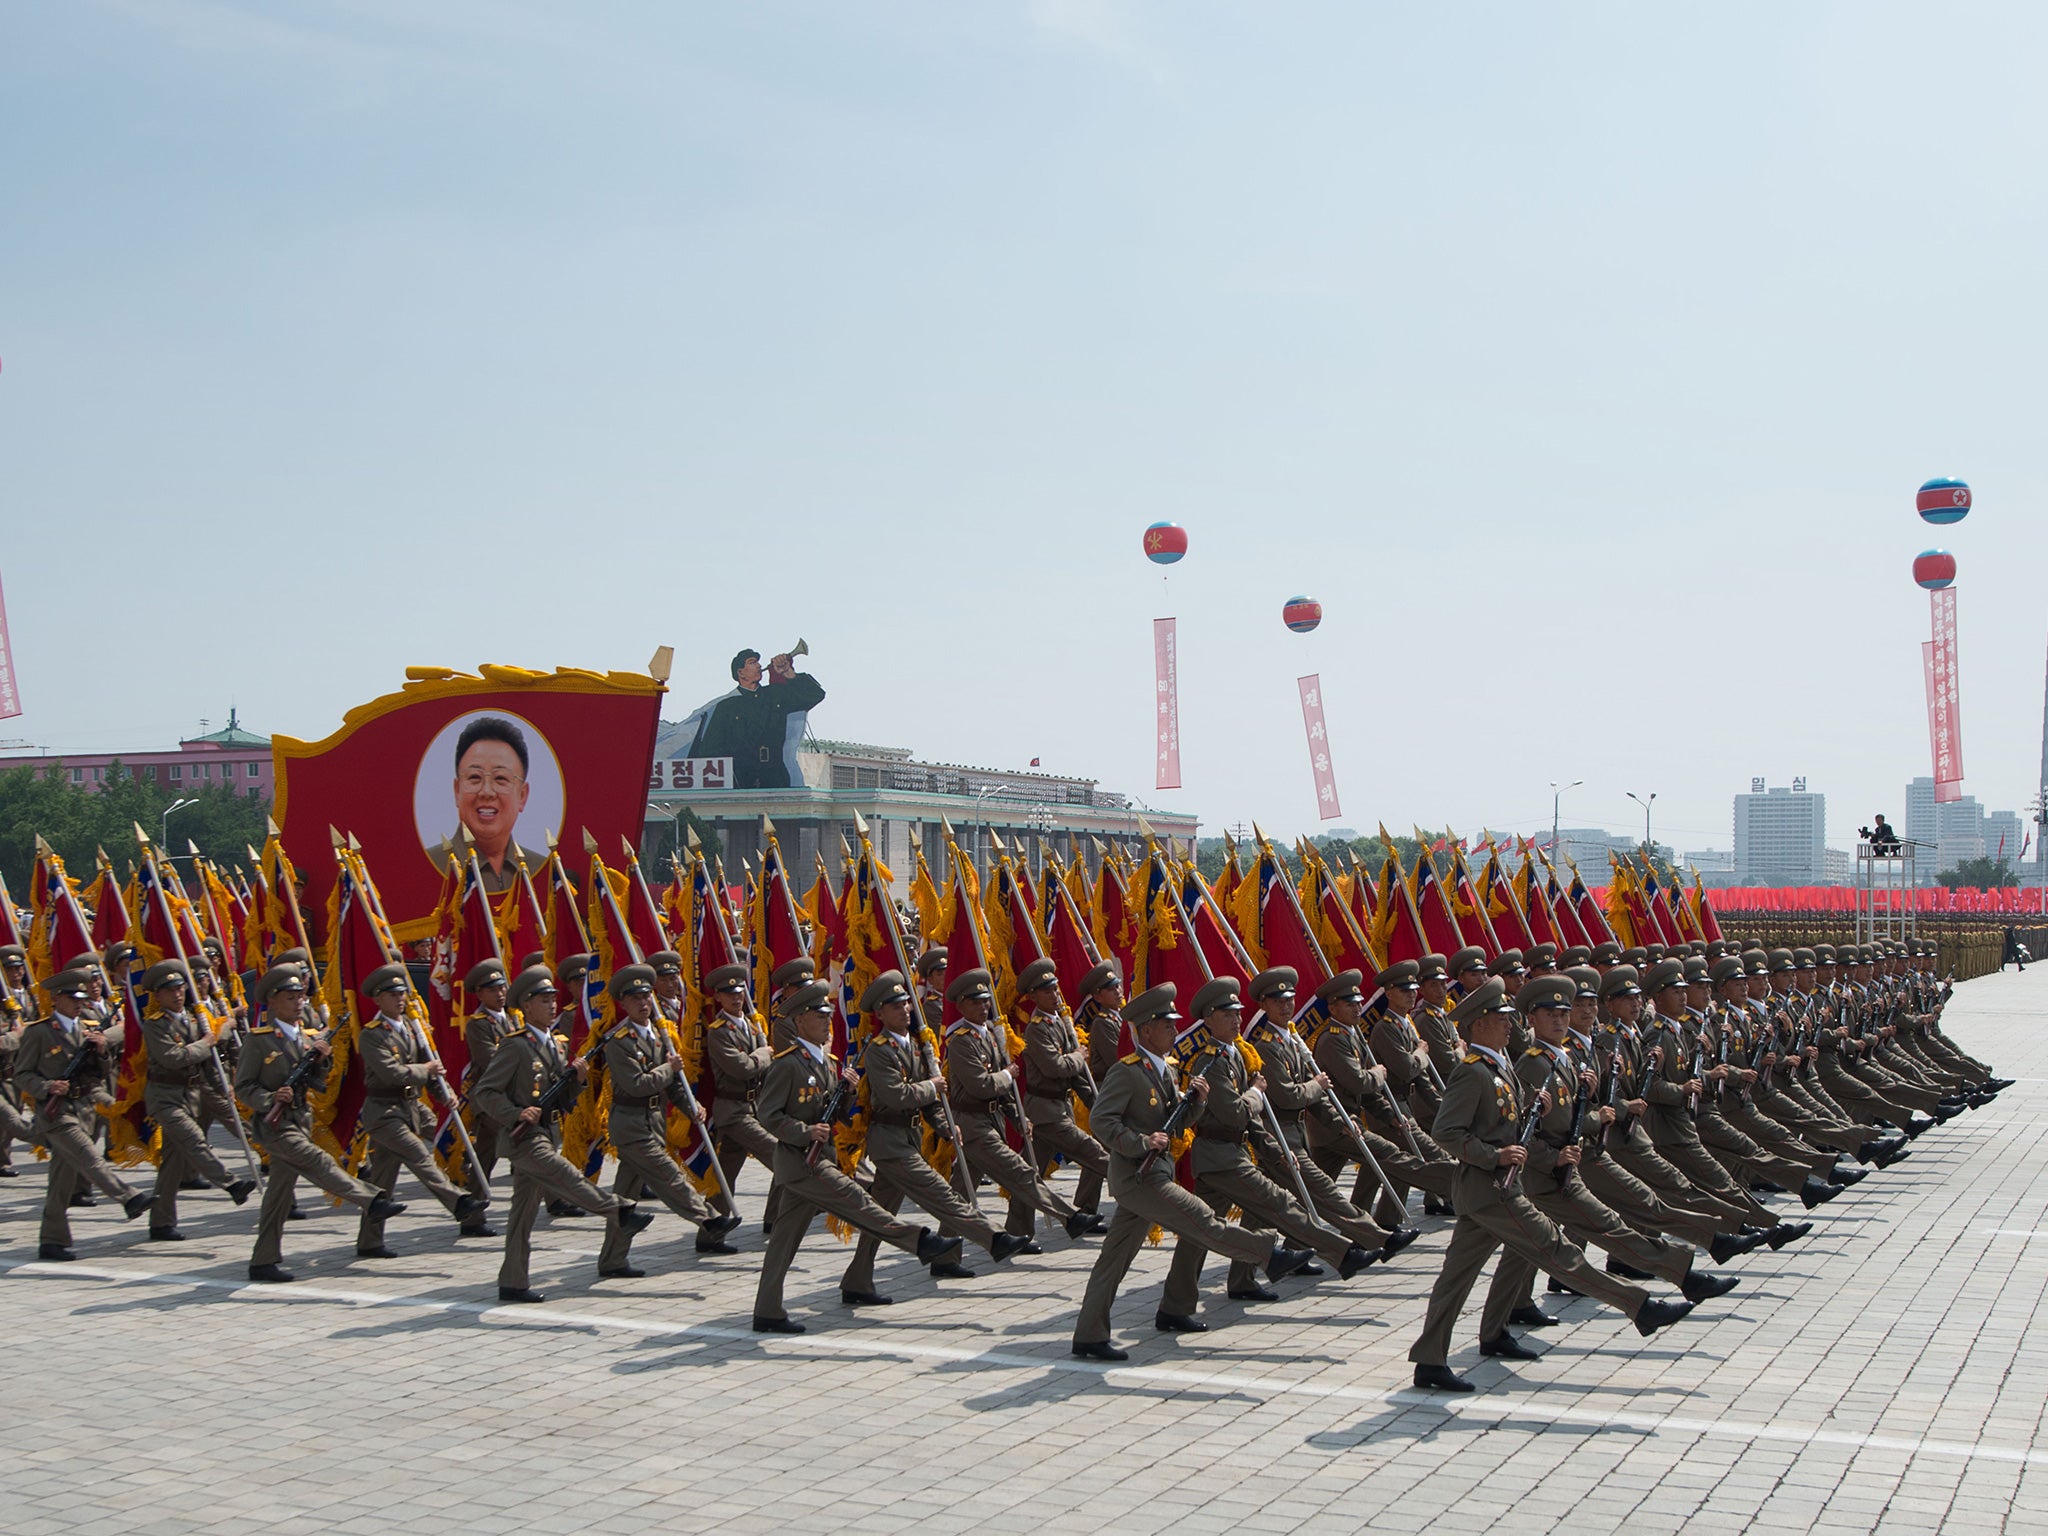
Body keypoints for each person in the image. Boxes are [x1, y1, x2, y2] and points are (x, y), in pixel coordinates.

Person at [1407, 978, 1697, 1393]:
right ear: (1479, 1023)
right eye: (1500, 1018)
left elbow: (1506, 1116)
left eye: (1509, 1018)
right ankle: (1639, 1306)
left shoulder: (1497, 1064)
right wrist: (1495, 1156)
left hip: (1486, 1192)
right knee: (1558, 1251)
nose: (1510, 1025)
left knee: (1455, 1278)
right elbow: (1447, 1131)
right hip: (1493, 1189)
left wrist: (1536, 1105)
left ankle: (1433, 1358)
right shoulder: (1472, 1072)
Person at [1071, 984, 1313, 1361]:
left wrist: (1196, 1104)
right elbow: (1102, 1121)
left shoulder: (1166, 1070)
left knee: (1113, 1259)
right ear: (1145, 1031)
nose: (1173, 1031)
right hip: (1140, 1177)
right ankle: (1268, 1255)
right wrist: (1139, 1142)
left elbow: (1178, 1123)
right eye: (1166, 1026)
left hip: (1154, 1175)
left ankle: (1088, 1334)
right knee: (1203, 1220)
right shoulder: (1127, 1072)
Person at [750, 980, 963, 1334]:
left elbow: (830, 1112)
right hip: (803, 1163)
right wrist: (805, 1133)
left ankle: (767, 1310)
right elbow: (767, 1115)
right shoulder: (787, 1064)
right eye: (819, 1016)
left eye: (827, 1015)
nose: (826, 1021)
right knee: (857, 1201)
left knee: (783, 1242)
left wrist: (846, 1092)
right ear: (800, 1021)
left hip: (816, 1160)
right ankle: (919, 1241)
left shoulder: (827, 1062)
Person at [838, 972, 1030, 1302]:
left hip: (908, 1137)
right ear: (880, 1014)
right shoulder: (879, 1050)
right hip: (890, 1142)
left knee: (879, 1216)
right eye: (895, 1007)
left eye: (906, 1005)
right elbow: (899, 1096)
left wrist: (944, 1124)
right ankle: (993, 1238)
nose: (905, 1011)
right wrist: (931, 1087)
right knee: (942, 1194)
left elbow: (929, 1103)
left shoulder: (915, 1046)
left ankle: (857, 1280)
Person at [474, 965, 650, 1303]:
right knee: (566, 1175)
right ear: (526, 1006)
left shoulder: (555, 1044)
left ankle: (512, 1281)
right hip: (524, 1137)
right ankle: (619, 1211)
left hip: (547, 1131)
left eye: (553, 999)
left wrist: (578, 1080)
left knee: (522, 1215)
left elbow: (561, 1097)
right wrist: (515, 1113)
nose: (553, 1005)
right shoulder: (515, 1046)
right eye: (544, 1000)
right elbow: (485, 1092)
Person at [237, 965, 402, 1283]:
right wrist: (271, 1098)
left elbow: (319, 1083)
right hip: (274, 1125)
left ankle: (263, 1261)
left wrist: (322, 1060)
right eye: (291, 997)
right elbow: (243, 1087)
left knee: (279, 1196)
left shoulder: (307, 1037)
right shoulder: (258, 1041)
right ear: (272, 1002)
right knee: (318, 1160)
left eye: (301, 996)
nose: (299, 1002)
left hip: (300, 1120)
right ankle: (371, 1200)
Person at [595, 963, 744, 1277]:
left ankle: (612, 1260)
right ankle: (709, 1219)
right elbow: (638, 1083)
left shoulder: (659, 1034)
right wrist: (669, 1069)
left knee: (625, 1197)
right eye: (635, 998)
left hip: (653, 1121)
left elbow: (673, 1084)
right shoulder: (618, 1041)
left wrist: (690, 1106)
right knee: (667, 1174)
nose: (643, 1003)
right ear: (623, 1003)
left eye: (646, 996)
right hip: (630, 1125)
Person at [942, 967, 1091, 1245]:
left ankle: (944, 1250)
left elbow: (1003, 1088)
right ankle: (1069, 1217)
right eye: (975, 1002)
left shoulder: (987, 1035)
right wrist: (1008, 1074)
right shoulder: (961, 1042)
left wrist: (1016, 1116)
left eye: (986, 1000)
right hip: (973, 1124)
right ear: (961, 1006)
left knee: (961, 1192)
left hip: (991, 1121)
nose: (984, 1006)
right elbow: (982, 1085)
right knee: (1020, 1173)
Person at [14, 967, 152, 1258]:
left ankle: (52, 1241)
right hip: (56, 1114)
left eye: (81, 998)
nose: (79, 1003)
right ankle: (128, 1197)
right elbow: (22, 1074)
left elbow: (99, 1074)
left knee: (61, 1182)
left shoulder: (87, 1029)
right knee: (89, 1157)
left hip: (84, 1110)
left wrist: (102, 1051)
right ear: (56, 999)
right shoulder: (38, 1032)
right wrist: (48, 1086)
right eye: (72, 998)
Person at [353, 965, 489, 1258]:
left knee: (383, 1178)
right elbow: (392, 1073)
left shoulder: (414, 1029)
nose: (400, 998)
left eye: (402, 993)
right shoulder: (372, 1034)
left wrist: (445, 1094)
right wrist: (424, 1070)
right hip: (384, 1110)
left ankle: (369, 1241)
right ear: (377, 999)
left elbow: (433, 1071)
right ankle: (459, 1202)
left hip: (412, 1106)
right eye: (392, 994)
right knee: (417, 1153)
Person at [138, 960, 257, 1240]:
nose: (177, 994)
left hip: (191, 1095)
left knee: (172, 1163)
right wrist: (206, 1042)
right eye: (170, 991)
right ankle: (231, 1184)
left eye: (180, 988)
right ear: (158, 995)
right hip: (165, 1098)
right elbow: (174, 1058)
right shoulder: (155, 1026)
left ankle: (161, 1223)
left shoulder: (194, 1020)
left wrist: (223, 1087)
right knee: (194, 1139)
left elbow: (207, 1064)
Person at [1015, 958, 1112, 1228]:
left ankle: (1018, 1230)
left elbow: (1076, 1076)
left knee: (1028, 1174)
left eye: (1055, 989)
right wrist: (1078, 1056)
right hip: (1045, 1111)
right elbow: (1056, 1067)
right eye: (1047, 991)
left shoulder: (1059, 1023)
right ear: (1033, 996)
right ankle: (1141, 1187)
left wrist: (1096, 1103)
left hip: (1059, 1107)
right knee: (1092, 1152)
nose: (1054, 994)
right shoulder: (1036, 1030)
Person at [702, 962, 784, 1232]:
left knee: (725, 1174)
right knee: (781, 1155)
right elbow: (742, 1068)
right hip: (733, 1110)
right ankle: (776, 1219)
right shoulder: (718, 1031)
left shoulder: (752, 1025)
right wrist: (763, 1053)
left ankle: (710, 1229)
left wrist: (760, 1055)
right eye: (729, 994)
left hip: (754, 1105)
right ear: (718, 997)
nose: (736, 998)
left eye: (739, 992)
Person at [680, 649, 825, 791]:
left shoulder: (775, 694)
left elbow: (815, 695)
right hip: (741, 779)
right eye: (752, 662)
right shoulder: (727, 707)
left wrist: (788, 673)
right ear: (740, 672)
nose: (759, 666)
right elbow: (710, 751)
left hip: (774, 776)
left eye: (758, 662)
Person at [444, 716, 548, 892]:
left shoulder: (543, 871)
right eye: (474, 777)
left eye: (500, 779)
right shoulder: (433, 864)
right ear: (457, 790)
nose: (487, 792)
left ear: (522, 796)